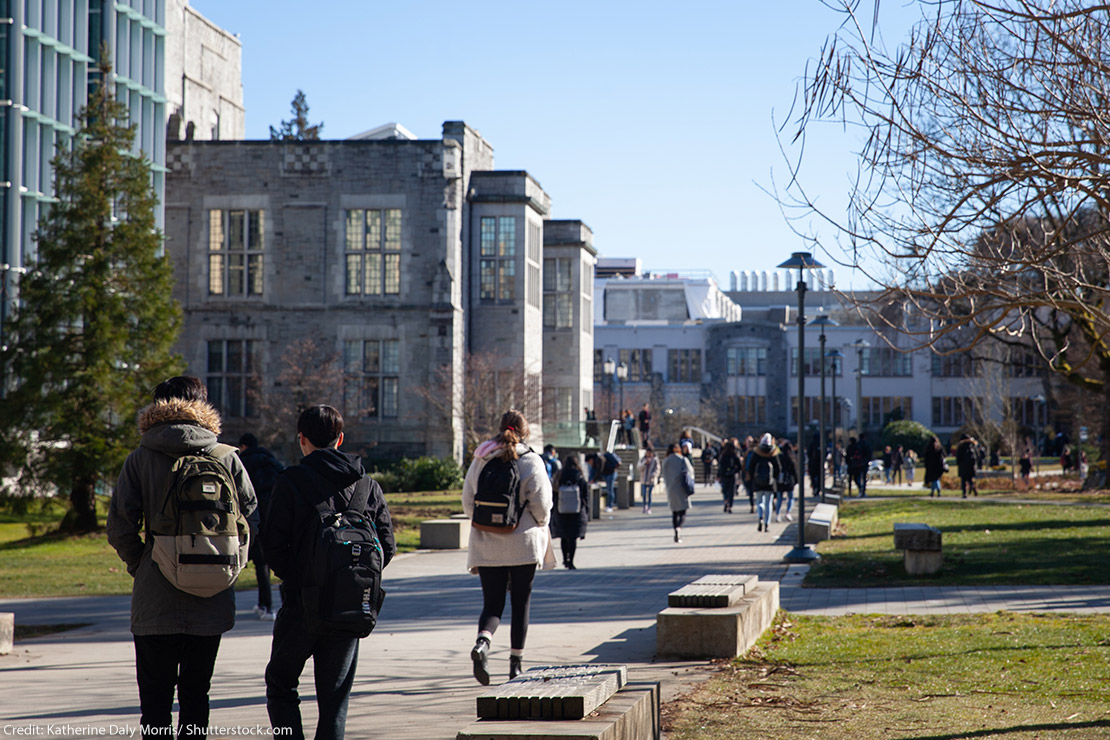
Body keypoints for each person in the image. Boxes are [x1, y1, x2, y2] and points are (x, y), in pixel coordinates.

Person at [106, 376, 258, 739]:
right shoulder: (226, 457)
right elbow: (250, 517)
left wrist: (143, 563)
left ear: (157, 408)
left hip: (155, 596)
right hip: (212, 594)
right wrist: (230, 563)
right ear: (203, 407)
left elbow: (120, 526)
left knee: (155, 704)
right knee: (196, 697)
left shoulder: (140, 458)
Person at [262, 404, 396, 740]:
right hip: (350, 607)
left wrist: (300, 577)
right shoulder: (367, 487)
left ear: (302, 439)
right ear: (340, 439)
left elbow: (272, 545)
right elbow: (387, 548)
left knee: (281, 684)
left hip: (301, 606)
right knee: (334, 701)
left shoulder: (290, 481)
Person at [463, 409, 554, 685]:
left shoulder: (482, 457)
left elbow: (468, 500)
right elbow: (542, 504)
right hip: (523, 544)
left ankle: (482, 644)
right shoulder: (531, 460)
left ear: (499, 428)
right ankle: (515, 664)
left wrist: (486, 524)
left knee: (492, 604)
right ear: (524, 432)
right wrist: (538, 523)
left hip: (486, 543)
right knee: (520, 603)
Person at [238, 432, 284, 621]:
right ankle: (269, 606)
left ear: (243, 446)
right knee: (274, 562)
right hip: (273, 515)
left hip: (253, 517)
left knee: (259, 564)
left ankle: (265, 605)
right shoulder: (270, 461)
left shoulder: (242, 463)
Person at [550, 455, 589, 569]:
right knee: (572, 537)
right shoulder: (579, 476)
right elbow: (585, 494)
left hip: (561, 509)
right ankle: (571, 561)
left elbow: (553, 492)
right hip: (576, 510)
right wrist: (586, 510)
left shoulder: (559, 475)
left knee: (563, 536)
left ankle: (564, 560)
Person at [747, 433, 781, 533]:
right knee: (768, 503)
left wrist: (751, 478)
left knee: (759, 501)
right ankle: (767, 523)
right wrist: (775, 478)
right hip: (770, 482)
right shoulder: (773, 452)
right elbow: (778, 468)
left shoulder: (757, 452)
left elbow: (751, 467)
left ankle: (760, 517)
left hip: (758, 481)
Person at [661, 443, 695, 543]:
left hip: (671, 489)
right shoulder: (682, 459)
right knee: (683, 511)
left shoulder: (666, 461)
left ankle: (675, 528)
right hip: (681, 488)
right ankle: (679, 527)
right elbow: (690, 472)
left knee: (675, 512)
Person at [775, 439, 798, 523]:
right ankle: (788, 512)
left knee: (779, 498)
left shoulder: (779, 456)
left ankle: (777, 514)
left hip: (780, 479)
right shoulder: (792, 457)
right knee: (791, 497)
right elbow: (795, 469)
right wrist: (797, 479)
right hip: (790, 479)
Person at [716, 439, 742, 513]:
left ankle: (726, 502)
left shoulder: (723, 456)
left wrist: (718, 475)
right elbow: (739, 466)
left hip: (724, 475)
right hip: (732, 475)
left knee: (725, 490)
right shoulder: (734, 456)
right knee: (731, 491)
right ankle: (730, 505)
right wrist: (735, 471)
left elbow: (720, 466)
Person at [637, 446, 660, 514]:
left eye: (650, 452)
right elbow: (638, 467)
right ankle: (644, 506)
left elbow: (657, 469)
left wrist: (653, 474)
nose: (648, 454)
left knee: (649, 494)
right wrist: (645, 463)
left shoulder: (655, 460)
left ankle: (649, 508)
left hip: (651, 480)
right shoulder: (642, 459)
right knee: (644, 494)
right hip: (643, 479)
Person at [955, 433, 979, 498]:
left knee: (963, 480)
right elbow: (977, 456)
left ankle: (964, 493)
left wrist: (958, 463)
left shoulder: (961, 446)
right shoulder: (973, 445)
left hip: (963, 465)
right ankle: (973, 488)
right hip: (971, 466)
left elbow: (958, 456)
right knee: (970, 479)